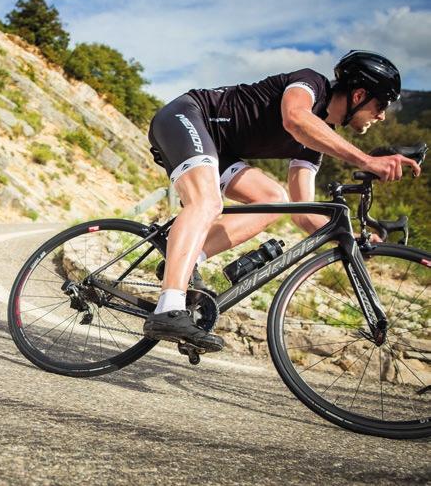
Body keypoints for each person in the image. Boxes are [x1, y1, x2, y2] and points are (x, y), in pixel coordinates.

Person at [144, 50, 422, 350]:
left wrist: (347, 236)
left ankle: (187, 258)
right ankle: (168, 308)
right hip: (186, 117)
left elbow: (303, 214)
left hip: (218, 150)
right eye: (381, 105)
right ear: (359, 94)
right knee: (207, 202)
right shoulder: (310, 84)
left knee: (276, 199)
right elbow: (294, 118)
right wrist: (366, 160)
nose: (381, 115)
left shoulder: (315, 144)